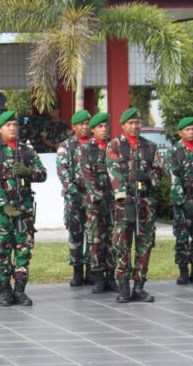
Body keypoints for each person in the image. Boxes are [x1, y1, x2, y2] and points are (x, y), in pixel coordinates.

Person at [0, 111, 47, 306]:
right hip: (2, 212)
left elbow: (43, 174)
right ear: (0, 129)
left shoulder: (27, 151)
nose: (12, 127)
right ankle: (5, 291)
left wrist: (29, 172)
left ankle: (20, 290)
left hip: (24, 209)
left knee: (23, 250)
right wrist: (4, 205)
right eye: (8, 124)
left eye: (15, 124)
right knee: (1, 251)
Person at [106, 108, 162, 303]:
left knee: (144, 245)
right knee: (122, 245)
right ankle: (123, 286)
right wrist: (125, 199)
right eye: (131, 123)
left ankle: (139, 286)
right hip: (124, 206)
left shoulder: (150, 146)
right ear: (123, 125)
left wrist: (148, 176)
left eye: (137, 122)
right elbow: (114, 174)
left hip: (146, 203)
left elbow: (159, 171)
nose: (135, 126)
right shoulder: (114, 146)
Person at [78, 112, 118, 293]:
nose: (104, 129)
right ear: (93, 130)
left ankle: (111, 276)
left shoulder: (114, 148)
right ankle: (98, 277)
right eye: (100, 127)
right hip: (95, 205)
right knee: (96, 240)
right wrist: (97, 198)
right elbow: (87, 177)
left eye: (105, 126)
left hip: (115, 202)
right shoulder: (86, 150)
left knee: (113, 240)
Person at [56, 110, 93, 287]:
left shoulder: (97, 144)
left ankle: (93, 270)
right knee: (76, 235)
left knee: (94, 235)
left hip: (94, 198)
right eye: (81, 124)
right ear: (74, 127)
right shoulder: (66, 146)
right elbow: (63, 173)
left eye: (87, 123)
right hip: (74, 199)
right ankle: (77, 271)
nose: (85, 127)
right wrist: (76, 194)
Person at [163, 116, 193, 285]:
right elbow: (173, 178)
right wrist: (183, 201)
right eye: (188, 129)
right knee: (182, 236)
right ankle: (183, 271)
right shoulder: (173, 152)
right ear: (180, 132)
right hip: (181, 203)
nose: (192, 132)